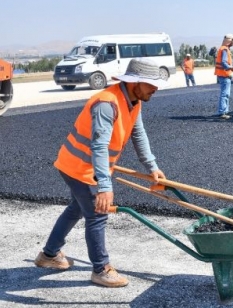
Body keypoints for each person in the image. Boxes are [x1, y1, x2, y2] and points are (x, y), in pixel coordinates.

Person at [34, 58, 168, 287]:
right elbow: (99, 146)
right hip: (82, 168)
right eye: (150, 83)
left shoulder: (135, 101)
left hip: (76, 164)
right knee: (98, 214)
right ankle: (101, 269)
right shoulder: (107, 103)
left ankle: (48, 255)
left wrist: (152, 167)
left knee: (76, 208)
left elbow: (138, 134)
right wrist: (104, 186)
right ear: (134, 82)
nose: (155, 88)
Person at [214, 34, 233, 119]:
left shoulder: (225, 49)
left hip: (224, 74)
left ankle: (225, 111)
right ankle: (222, 112)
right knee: (225, 94)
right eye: (232, 41)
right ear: (229, 40)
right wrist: (232, 68)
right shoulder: (224, 50)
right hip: (224, 75)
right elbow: (224, 63)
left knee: (226, 94)